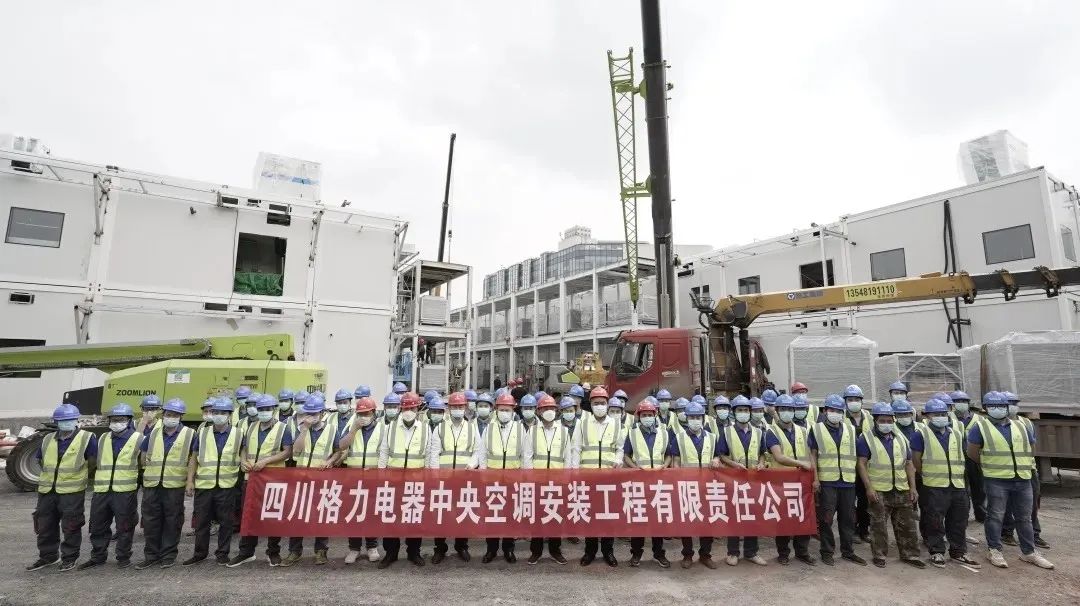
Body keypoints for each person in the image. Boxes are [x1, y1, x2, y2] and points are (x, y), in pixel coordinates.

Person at [967, 392, 1053, 570]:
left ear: (1007, 408)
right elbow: (973, 453)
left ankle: (1029, 552)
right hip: (996, 479)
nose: (997, 410)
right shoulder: (980, 427)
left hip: (1022, 479)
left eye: (1001, 406)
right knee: (996, 516)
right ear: (986, 408)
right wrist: (990, 464)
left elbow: (1031, 448)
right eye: (992, 406)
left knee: (1025, 517)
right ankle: (994, 550)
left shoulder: (1022, 425)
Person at [27, 404, 97, 572]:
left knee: (71, 526)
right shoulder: (47, 439)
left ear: (76, 420)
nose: (65, 423)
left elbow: (93, 463)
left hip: (72, 492)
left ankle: (69, 557)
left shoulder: (87, 438)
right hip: (47, 490)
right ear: (56, 422)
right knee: (45, 525)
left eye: (68, 420)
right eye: (61, 421)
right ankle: (48, 556)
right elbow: (41, 460)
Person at [912, 398, 980, 569]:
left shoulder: (957, 433)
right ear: (927, 416)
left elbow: (962, 456)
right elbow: (916, 460)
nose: (940, 417)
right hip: (934, 485)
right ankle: (936, 551)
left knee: (958, 520)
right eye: (936, 414)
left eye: (943, 414)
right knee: (934, 519)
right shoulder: (920, 434)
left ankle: (958, 551)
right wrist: (927, 474)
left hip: (957, 484)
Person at [855, 402, 924, 569]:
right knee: (878, 526)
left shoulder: (901, 438)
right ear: (875, 420)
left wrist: (912, 487)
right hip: (879, 490)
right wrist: (869, 488)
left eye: (889, 420)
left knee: (907, 525)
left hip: (901, 488)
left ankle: (910, 554)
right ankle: (879, 554)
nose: (886, 424)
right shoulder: (866, 439)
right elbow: (861, 464)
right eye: (882, 420)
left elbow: (908, 464)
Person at [229, 395, 293, 567]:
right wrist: (242, 460)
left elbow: (287, 452)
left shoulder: (283, 428)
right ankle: (246, 552)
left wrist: (265, 461)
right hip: (251, 479)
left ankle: (273, 552)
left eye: (267, 409)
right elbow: (243, 449)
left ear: (274, 410)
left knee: (273, 516)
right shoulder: (249, 427)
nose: (264, 412)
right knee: (248, 515)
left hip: (274, 480)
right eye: (261, 409)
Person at [79, 404, 141, 570]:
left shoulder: (138, 439)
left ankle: (123, 557)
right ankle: (98, 556)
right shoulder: (103, 438)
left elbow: (142, 465)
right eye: (113, 420)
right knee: (98, 525)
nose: (116, 423)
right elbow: (94, 463)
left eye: (120, 420)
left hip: (124, 492)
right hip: (102, 490)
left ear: (128, 420)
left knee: (125, 526)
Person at [808, 395, 866, 566]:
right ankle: (827, 551)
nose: (835, 413)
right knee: (826, 519)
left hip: (847, 482)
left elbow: (856, 455)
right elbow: (813, 455)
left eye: (839, 411)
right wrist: (816, 479)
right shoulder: (816, 429)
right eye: (832, 410)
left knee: (848, 519)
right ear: (825, 411)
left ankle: (848, 551)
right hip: (828, 482)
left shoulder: (850, 429)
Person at [137, 398, 196, 569]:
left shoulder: (190, 434)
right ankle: (151, 555)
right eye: (169, 414)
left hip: (174, 486)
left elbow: (193, 458)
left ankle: (168, 555)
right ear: (164, 415)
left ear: (181, 416)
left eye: (175, 415)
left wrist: (190, 481)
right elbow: (143, 454)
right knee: (150, 521)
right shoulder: (154, 433)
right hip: (153, 485)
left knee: (173, 521)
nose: (171, 417)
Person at [183, 397, 242, 566]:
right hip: (204, 486)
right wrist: (189, 481)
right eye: (215, 412)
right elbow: (194, 458)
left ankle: (222, 553)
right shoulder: (202, 433)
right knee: (202, 522)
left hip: (227, 486)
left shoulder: (238, 434)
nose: (218, 416)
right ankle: (200, 553)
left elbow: (243, 455)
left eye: (223, 413)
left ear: (230, 415)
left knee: (226, 522)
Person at [571, 386, 623, 567]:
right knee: (591, 516)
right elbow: (576, 449)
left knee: (608, 516)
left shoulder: (616, 424)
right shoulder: (582, 424)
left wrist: (617, 460)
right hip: (589, 477)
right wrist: (576, 472)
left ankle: (608, 551)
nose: (599, 406)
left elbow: (620, 448)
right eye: (596, 403)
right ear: (591, 405)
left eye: (602, 403)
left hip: (609, 479)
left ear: (608, 404)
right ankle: (590, 552)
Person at [377, 390, 429, 568]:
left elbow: (428, 454)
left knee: (414, 518)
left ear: (417, 408)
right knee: (391, 518)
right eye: (406, 407)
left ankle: (414, 552)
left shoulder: (425, 428)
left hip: (416, 482)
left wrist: (428, 478)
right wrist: (381, 475)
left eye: (412, 407)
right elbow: (384, 451)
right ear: (401, 408)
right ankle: (391, 553)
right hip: (393, 481)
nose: (409, 411)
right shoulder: (390, 427)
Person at [282, 395, 335, 566]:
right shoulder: (301, 429)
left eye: (315, 413)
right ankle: (294, 551)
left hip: (322, 480)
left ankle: (321, 551)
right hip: (302, 479)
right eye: (309, 413)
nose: (312, 416)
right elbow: (295, 451)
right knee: (298, 515)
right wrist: (304, 429)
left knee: (321, 516)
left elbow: (339, 451)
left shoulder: (332, 429)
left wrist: (330, 461)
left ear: (322, 413)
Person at [430, 392, 482, 564]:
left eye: (460, 407)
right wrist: (435, 475)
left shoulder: (471, 428)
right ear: (449, 409)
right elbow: (434, 453)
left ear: (465, 408)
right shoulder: (440, 428)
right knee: (441, 514)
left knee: (463, 513)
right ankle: (440, 548)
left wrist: (473, 464)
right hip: (443, 479)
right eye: (454, 407)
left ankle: (462, 546)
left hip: (464, 478)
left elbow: (477, 451)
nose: (457, 409)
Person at [765, 395, 815, 566]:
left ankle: (802, 551)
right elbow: (778, 456)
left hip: (802, 482)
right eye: (783, 409)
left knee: (803, 517)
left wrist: (814, 476)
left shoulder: (803, 430)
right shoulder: (771, 432)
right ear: (777, 411)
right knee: (784, 519)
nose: (787, 412)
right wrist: (801, 464)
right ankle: (783, 552)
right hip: (782, 483)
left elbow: (811, 455)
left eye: (790, 409)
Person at [622, 400, 673, 569]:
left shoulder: (664, 433)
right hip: (638, 483)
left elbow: (668, 455)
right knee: (639, 520)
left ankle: (659, 554)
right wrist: (634, 467)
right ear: (638, 417)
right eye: (644, 415)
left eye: (650, 415)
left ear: (655, 415)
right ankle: (636, 553)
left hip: (658, 483)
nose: (647, 418)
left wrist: (664, 466)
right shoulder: (632, 433)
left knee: (658, 521)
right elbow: (626, 456)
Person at [716, 397, 767, 566]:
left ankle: (751, 552)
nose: (743, 414)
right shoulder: (727, 432)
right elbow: (722, 455)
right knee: (734, 516)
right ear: (734, 412)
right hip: (734, 480)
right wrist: (733, 464)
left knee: (753, 516)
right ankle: (733, 552)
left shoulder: (759, 432)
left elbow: (762, 453)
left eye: (746, 411)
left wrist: (760, 463)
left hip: (753, 480)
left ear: (750, 412)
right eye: (740, 410)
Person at [335, 396, 385, 565]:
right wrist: (353, 429)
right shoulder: (351, 427)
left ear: (373, 412)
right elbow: (341, 446)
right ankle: (354, 548)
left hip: (373, 477)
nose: (364, 416)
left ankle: (372, 547)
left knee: (371, 513)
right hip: (353, 477)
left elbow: (384, 453)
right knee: (354, 512)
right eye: (360, 413)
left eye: (367, 413)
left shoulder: (382, 428)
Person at [483, 393, 531, 563]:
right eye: (501, 409)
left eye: (507, 409)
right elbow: (483, 453)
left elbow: (526, 455)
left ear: (513, 411)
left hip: (513, 480)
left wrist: (526, 477)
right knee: (493, 517)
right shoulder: (489, 428)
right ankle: (491, 549)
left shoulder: (520, 429)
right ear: (496, 410)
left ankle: (508, 549)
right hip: (493, 480)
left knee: (510, 516)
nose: (504, 412)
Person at [670, 401, 718, 569]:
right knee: (687, 523)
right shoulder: (679, 437)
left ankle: (705, 555)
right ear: (687, 419)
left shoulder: (712, 437)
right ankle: (687, 555)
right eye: (692, 417)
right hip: (687, 487)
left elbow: (718, 456)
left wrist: (716, 460)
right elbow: (675, 462)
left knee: (707, 523)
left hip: (707, 487)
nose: (695, 420)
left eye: (698, 417)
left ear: (703, 419)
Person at [1000, 391, 1048, 550]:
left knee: (1032, 504)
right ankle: (1007, 532)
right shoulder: (993, 426)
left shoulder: (1026, 423)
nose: (1013, 407)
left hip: (1027, 470)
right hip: (1004, 472)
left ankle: (1034, 534)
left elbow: (1032, 448)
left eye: (1015, 403)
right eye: (1009, 404)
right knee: (1005, 505)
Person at [528, 394, 570, 565]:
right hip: (538, 481)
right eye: (545, 409)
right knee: (537, 517)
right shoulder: (532, 431)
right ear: (539, 411)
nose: (549, 412)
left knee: (556, 517)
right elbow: (527, 457)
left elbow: (567, 457)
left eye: (551, 409)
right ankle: (536, 551)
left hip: (557, 482)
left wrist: (566, 479)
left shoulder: (564, 431)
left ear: (556, 411)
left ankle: (555, 550)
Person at [842, 384, 872, 544]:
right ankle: (852, 530)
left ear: (862, 401)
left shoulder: (870, 417)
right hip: (848, 466)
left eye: (857, 399)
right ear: (845, 401)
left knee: (865, 499)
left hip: (867, 465)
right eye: (850, 399)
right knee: (849, 502)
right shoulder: (841, 417)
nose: (854, 402)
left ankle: (864, 529)